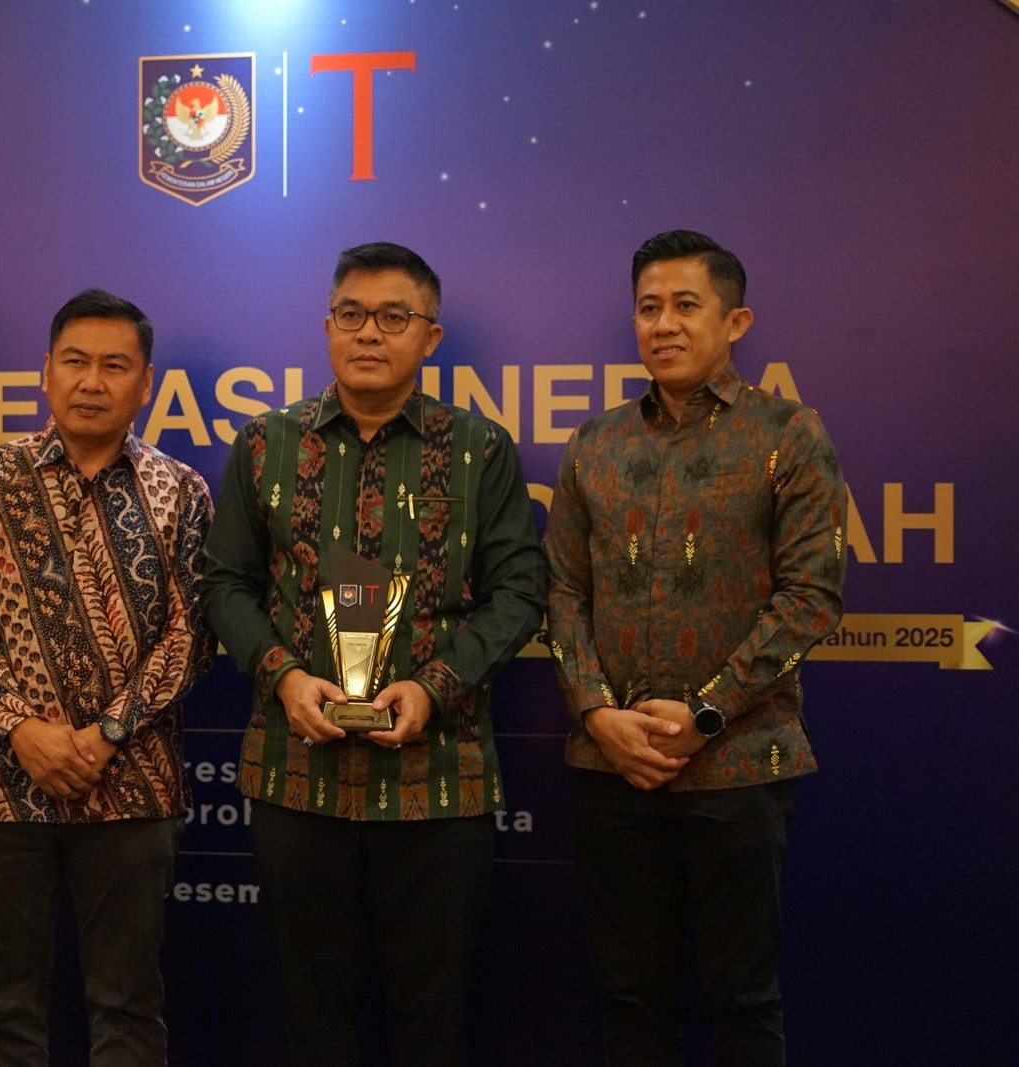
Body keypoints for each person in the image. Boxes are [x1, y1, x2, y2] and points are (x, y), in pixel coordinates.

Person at [201, 242, 548, 1066]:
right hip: (297, 774)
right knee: (311, 1012)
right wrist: (284, 676)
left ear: (431, 336)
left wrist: (435, 686)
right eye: (351, 314)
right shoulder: (265, 443)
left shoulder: (481, 449)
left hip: (437, 780)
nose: (369, 333)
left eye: (395, 317)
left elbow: (520, 592)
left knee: (432, 1016)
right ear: (327, 326)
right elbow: (224, 584)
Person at [544, 229, 847, 1065]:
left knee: (741, 1000)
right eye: (649, 308)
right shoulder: (595, 444)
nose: (664, 324)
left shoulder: (789, 432)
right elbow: (561, 594)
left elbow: (812, 596)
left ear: (735, 321)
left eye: (686, 305)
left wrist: (705, 714)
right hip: (612, 766)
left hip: (739, 766)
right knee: (629, 999)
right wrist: (598, 713)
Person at [0, 288, 213, 1066]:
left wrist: (107, 733)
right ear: (46, 371)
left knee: (128, 1007)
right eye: (76, 362)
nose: (92, 381)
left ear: (145, 383)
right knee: (3, 1011)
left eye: (114, 366)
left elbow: (192, 634)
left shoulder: (181, 490)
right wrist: (22, 726)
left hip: (132, 789)